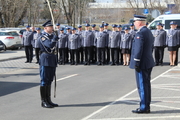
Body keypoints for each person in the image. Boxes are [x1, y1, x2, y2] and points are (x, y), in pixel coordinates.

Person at [129, 15, 154, 113]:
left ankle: (144, 107)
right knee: (146, 85)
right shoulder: (148, 31)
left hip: (142, 63)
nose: (134, 24)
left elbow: (138, 49)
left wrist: (136, 62)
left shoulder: (140, 33)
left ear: (139, 22)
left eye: (134, 22)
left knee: (142, 86)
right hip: (148, 61)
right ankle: (146, 105)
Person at [38, 20, 59, 108]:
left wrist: (55, 37)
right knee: (44, 80)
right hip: (45, 60)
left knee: (50, 80)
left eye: (52, 27)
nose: (52, 28)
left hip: (52, 59)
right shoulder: (43, 37)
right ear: (45, 28)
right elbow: (49, 45)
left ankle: (48, 100)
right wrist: (54, 38)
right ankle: (43, 101)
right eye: (50, 27)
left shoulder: (51, 36)